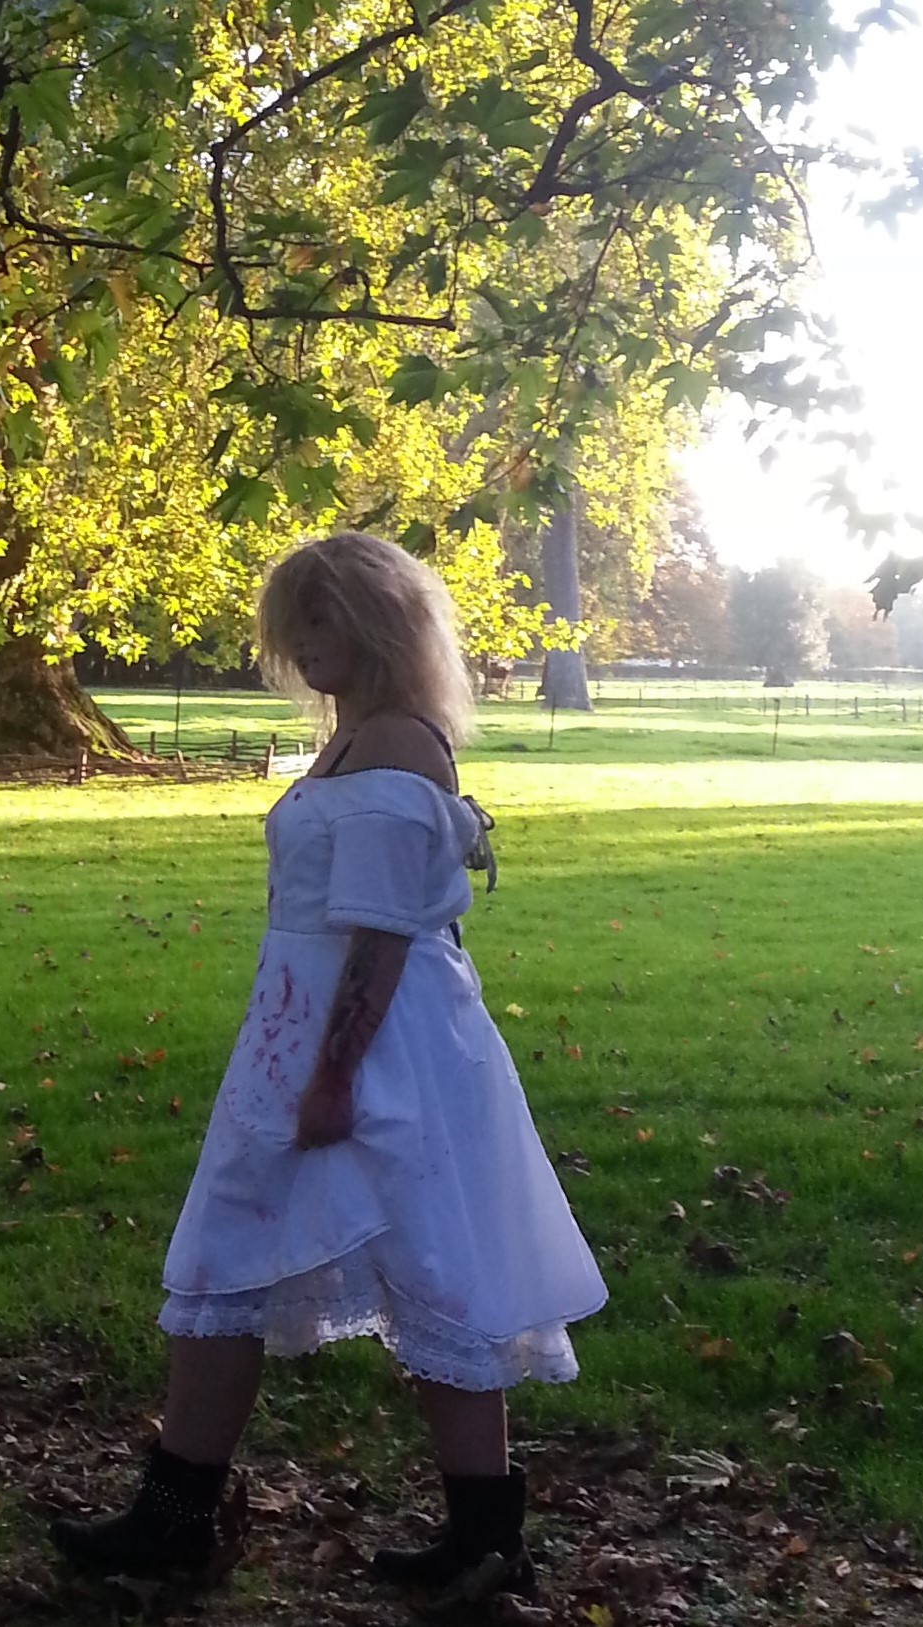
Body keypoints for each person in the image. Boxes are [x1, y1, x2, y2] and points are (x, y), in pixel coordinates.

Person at [50, 531, 608, 1605]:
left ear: (379, 626)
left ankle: (484, 1536)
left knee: (436, 1273)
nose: (305, 643)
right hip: (298, 1036)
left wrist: (332, 1075)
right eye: (293, 622)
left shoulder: (400, 746)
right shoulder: (353, 742)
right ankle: (176, 1516)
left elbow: (384, 933)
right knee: (222, 1263)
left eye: (325, 619)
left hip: (381, 1052)